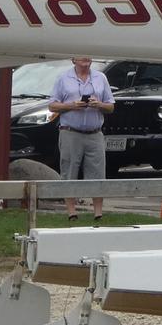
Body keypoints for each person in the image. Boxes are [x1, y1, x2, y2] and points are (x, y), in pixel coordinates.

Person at [49, 56, 114, 220]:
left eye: (88, 55)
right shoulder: (63, 78)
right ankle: (72, 213)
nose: (85, 58)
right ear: (73, 60)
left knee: (98, 173)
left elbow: (111, 106)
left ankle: (98, 213)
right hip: (70, 132)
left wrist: (98, 104)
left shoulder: (101, 77)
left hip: (95, 133)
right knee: (69, 171)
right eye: (81, 55)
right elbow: (52, 105)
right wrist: (72, 105)